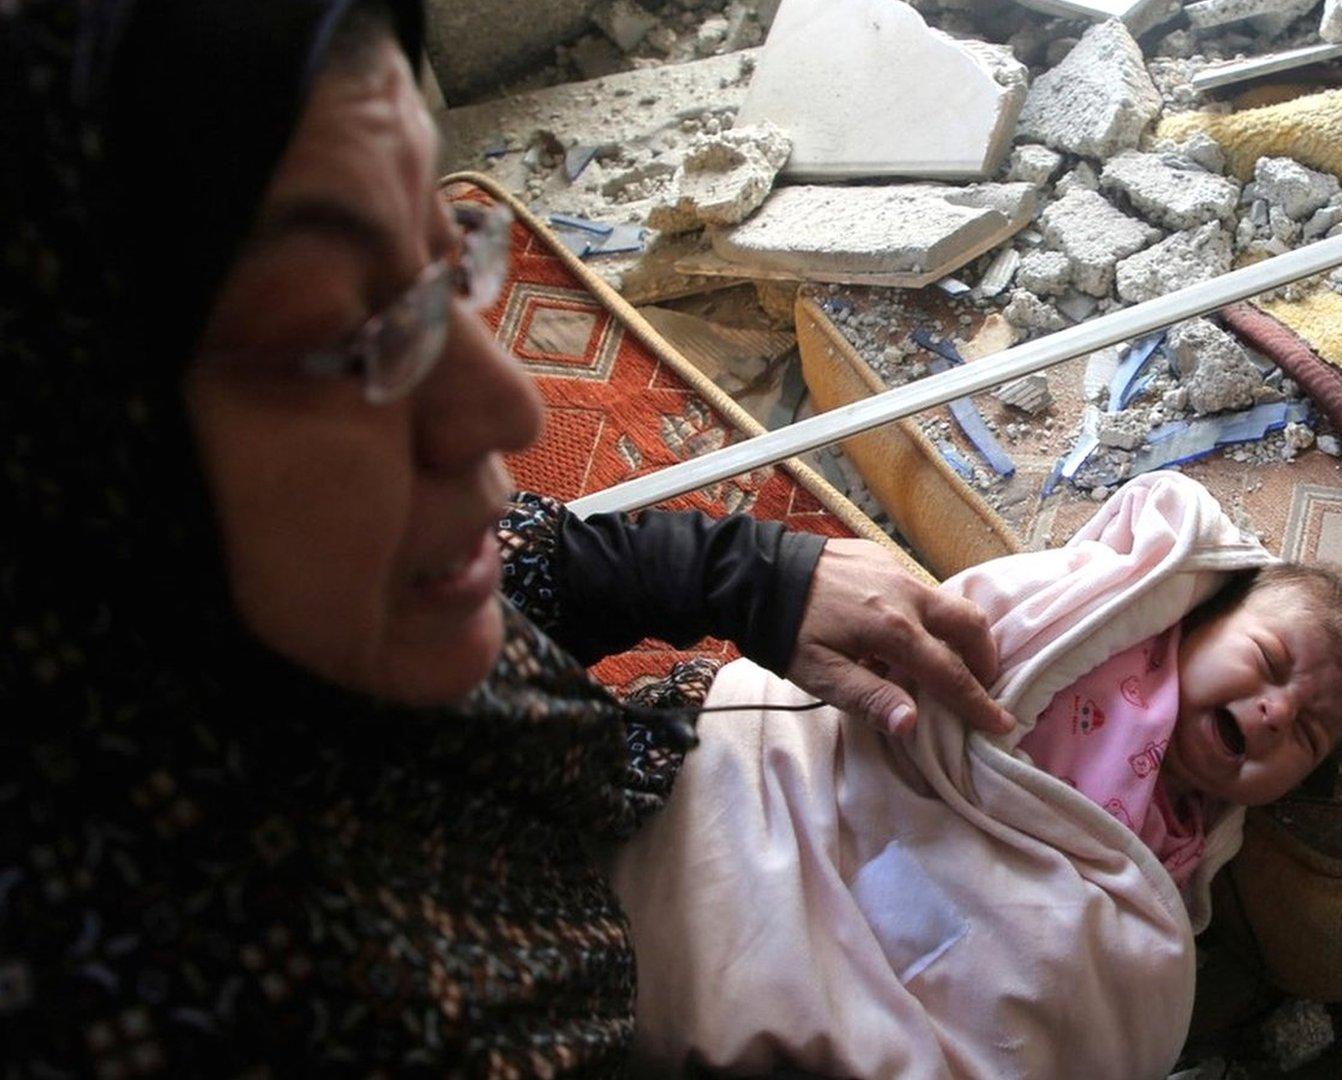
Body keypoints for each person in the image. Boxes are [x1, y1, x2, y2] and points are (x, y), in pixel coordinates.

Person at [0, 0, 1008, 1071]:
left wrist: (749, 572)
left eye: (444, 267)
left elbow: (531, 560)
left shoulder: (267, 619)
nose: (507, 410)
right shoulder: (212, 1003)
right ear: (68, 435)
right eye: (343, 341)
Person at [1017, 563, 1342, 893]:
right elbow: (1016, 619)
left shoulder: (1180, 847)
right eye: (1269, 660)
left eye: (1307, 734)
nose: (1279, 715)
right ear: (1200, 620)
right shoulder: (1112, 644)